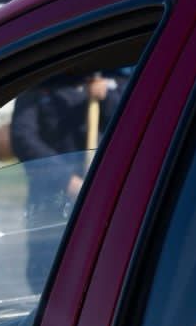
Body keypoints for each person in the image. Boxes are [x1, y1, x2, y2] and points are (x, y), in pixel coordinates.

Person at [9, 70, 123, 288]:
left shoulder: (118, 78)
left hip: (104, 196)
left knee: (104, 270)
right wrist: (65, 179)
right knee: (48, 273)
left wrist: (107, 97)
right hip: (52, 200)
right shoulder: (37, 84)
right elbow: (23, 137)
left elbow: (134, 126)